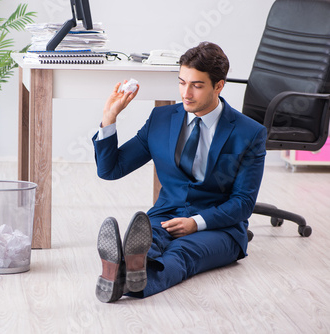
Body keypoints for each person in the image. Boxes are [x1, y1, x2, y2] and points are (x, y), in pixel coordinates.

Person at [92, 42, 267, 303]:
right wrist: (110, 118)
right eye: (182, 82)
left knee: (183, 252)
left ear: (218, 86)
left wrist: (196, 222)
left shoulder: (249, 132)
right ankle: (128, 268)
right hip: (165, 215)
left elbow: (243, 203)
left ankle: (124, 278)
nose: (186, 93)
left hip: (221, 228)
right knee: (149, 241)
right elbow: (111, 170)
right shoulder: (160, 119)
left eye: (196, 85)